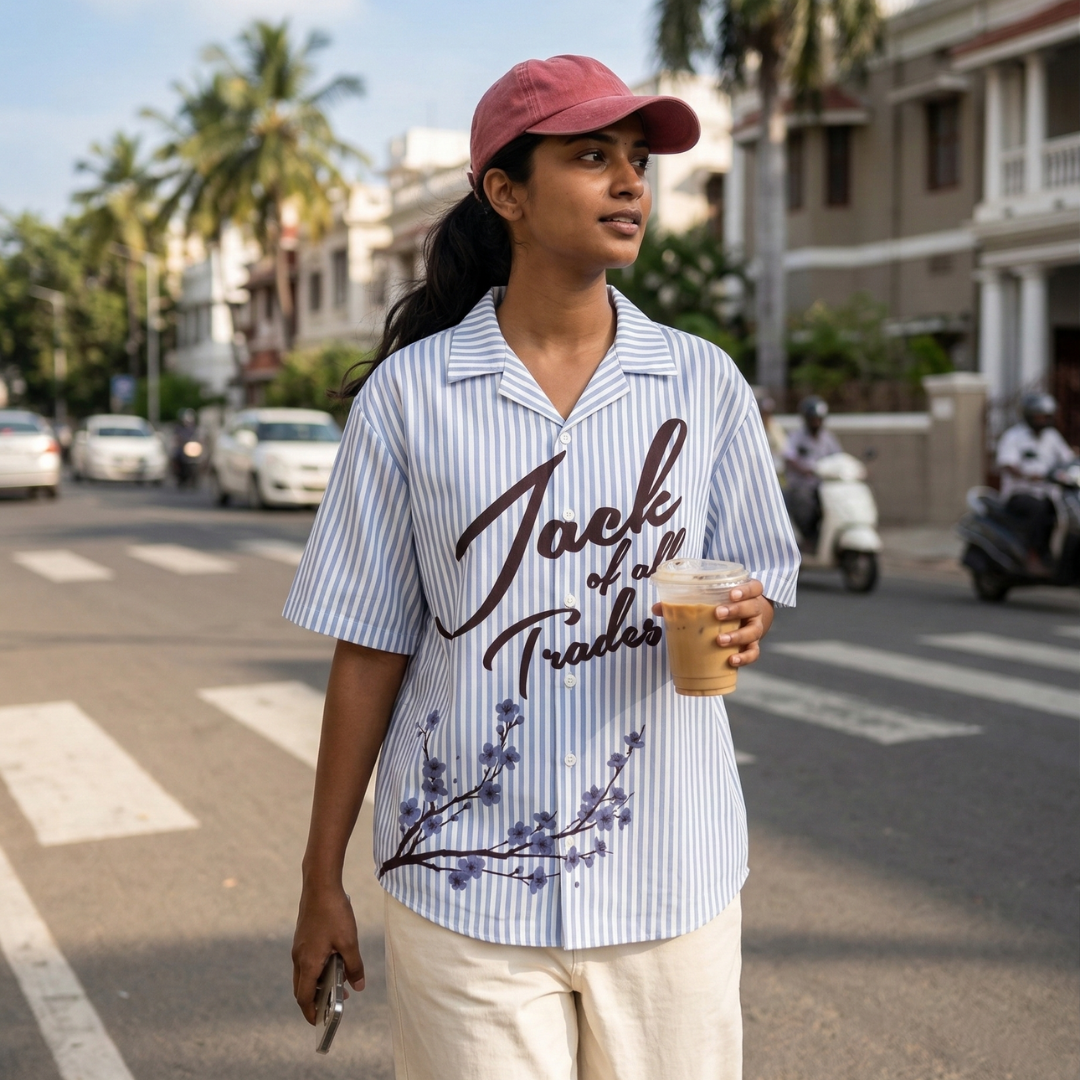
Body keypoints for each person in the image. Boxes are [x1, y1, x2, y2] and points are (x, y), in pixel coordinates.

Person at [286, 55, 799, 1080]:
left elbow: (751, 583)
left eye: (638, 160)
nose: (629, 183)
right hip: (464, 895)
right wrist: (320, 877)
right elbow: (370, 649)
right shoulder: (411, 398)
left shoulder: (701, 383)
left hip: (668, 882)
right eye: (592, 157)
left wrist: (746, 617)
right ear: (506, 192)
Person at [996, 392, 1074, 571]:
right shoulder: (1014, 436)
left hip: (1047, 493)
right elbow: (1007, 463)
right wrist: (1026, 474)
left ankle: (1051, 556)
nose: (1041, 420)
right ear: (1028, 416)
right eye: (1038, 416)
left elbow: (1067, 458)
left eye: (1045, 416)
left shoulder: (1052, 436)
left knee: (1058, 512)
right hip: (1019, 494)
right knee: (1037, 509)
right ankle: (1032, 555)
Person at [782, 395, 841, 543]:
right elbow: (789, 457)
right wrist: (803, 469)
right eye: (813, 418)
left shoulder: (828, 438)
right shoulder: (796, 437)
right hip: (803, 485)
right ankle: (808, 536)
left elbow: (838, 458)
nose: (816, 422)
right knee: (804, 501)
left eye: (819, 419)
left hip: (823, 485)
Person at [756, 392, 787, 477]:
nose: (766, 415)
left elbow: (782, 447)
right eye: (764, 412)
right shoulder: (756, 426)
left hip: (775, 466)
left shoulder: (775, 426)